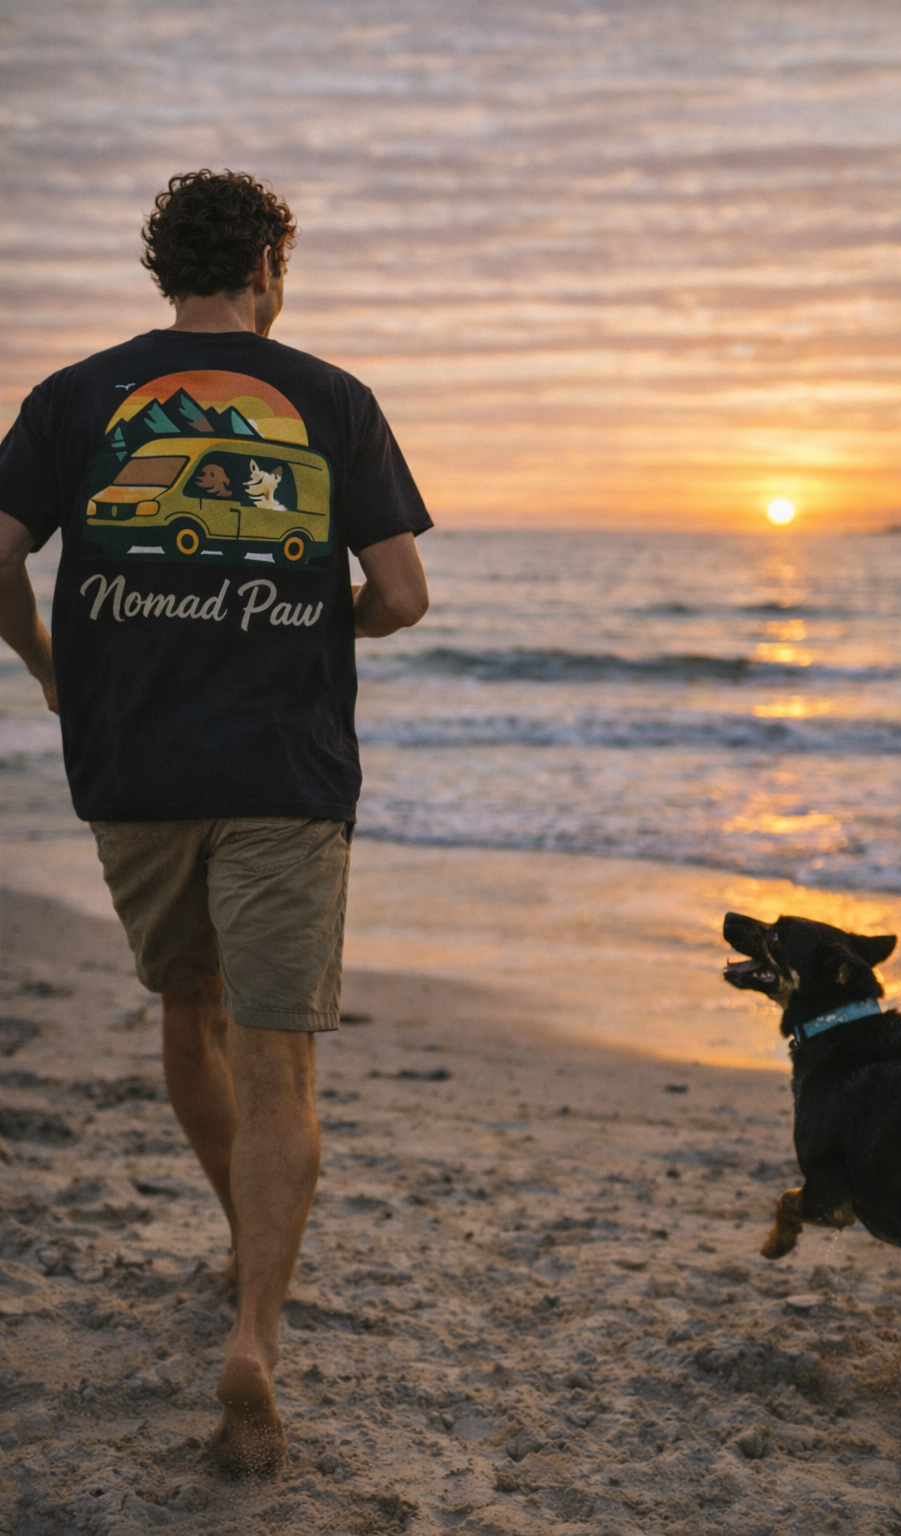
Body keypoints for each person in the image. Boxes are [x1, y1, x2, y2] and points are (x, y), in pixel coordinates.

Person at [0, 170, 431, 1474]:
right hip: (283, 772)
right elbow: (405, 595)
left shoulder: (78, 398)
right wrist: (314, 627)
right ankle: (255, 1326)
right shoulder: (333, 400)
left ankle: (239, 1237)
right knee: (281, 1060)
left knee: (189, 1011)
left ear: (165, 272)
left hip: (131, 766)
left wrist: (44, 666)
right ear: (268, 274)